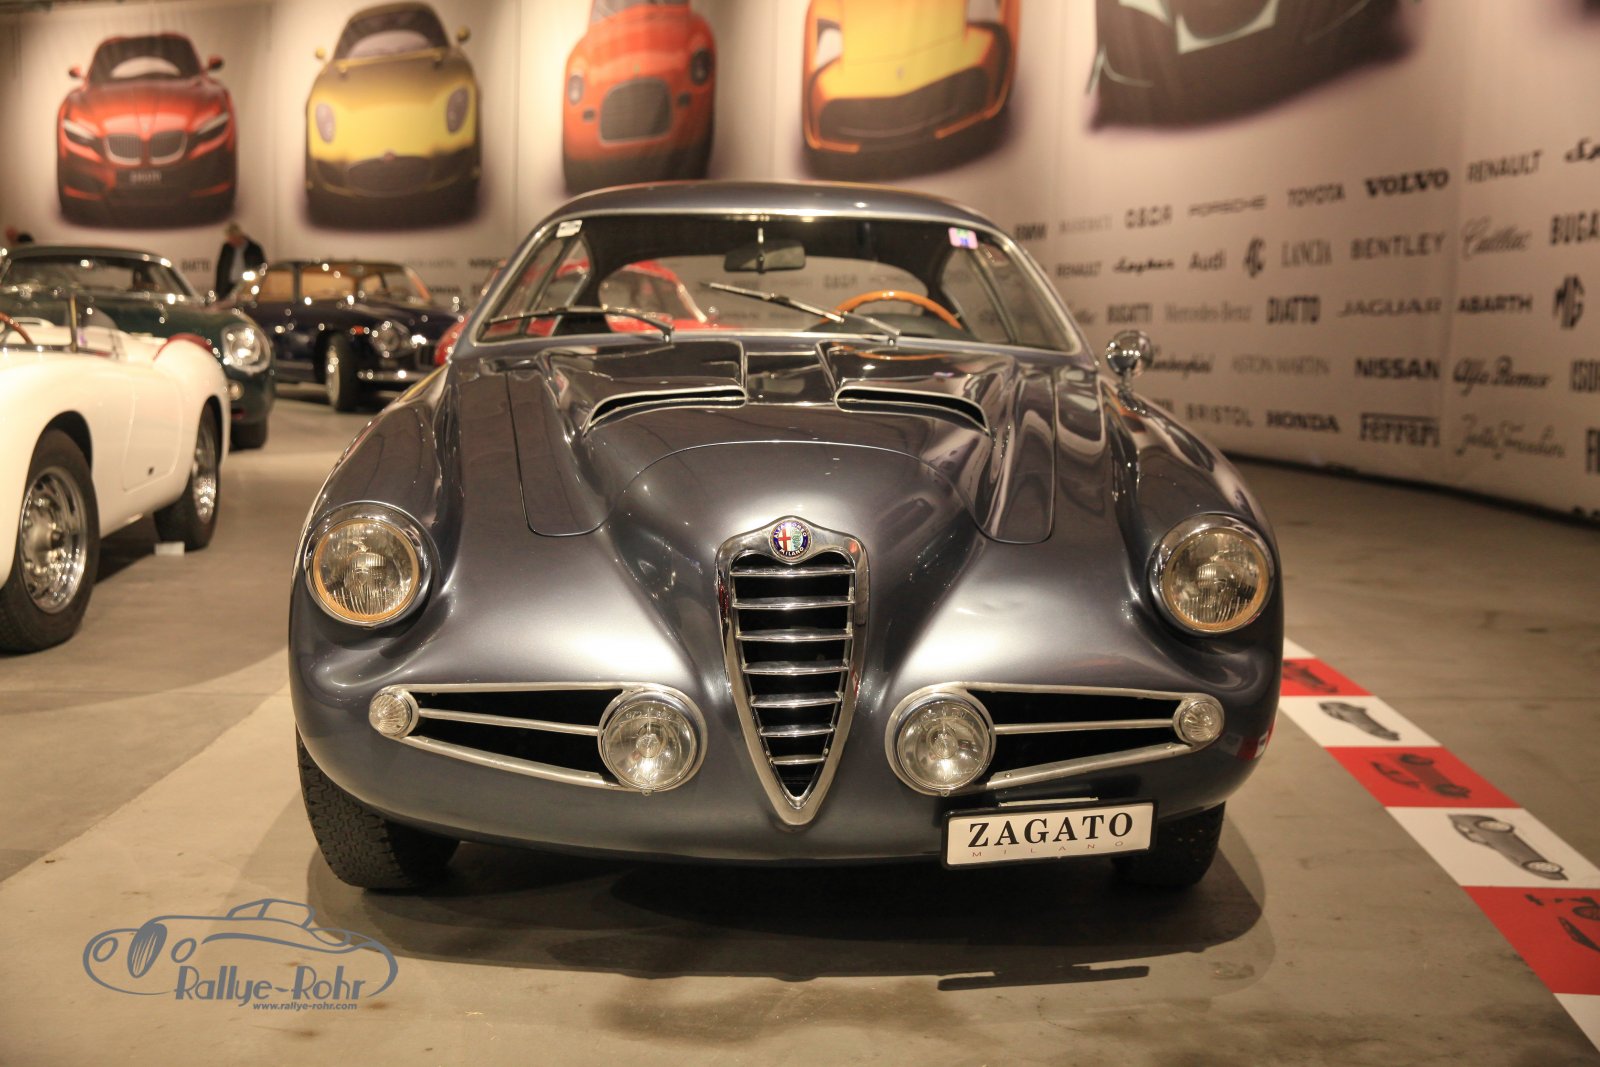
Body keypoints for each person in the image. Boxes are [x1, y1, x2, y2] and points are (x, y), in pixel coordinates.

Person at [215, 222, 264, 296]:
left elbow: (261, 268)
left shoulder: (254, 248)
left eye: (233, 238)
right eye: (229, 239)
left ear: (239, 236)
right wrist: (218, 290)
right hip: (228, 286)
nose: (231, 241)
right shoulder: (226, 248)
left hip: (247, 285)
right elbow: (221, 268)